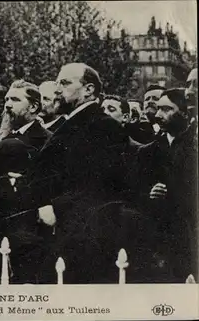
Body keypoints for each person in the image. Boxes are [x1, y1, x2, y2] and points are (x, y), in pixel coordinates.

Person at [27, 63, 153, 284]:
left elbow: (95, 186)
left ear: (89, 90)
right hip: (64, 231)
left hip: (81, 234)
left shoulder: (103, 127)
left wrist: (51, 206)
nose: (57, 89)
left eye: (64, 83)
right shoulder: (74, 124)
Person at [135, 88, 198, 282]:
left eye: (167, 109)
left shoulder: (193, 147)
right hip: (160, 234)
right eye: (158, 109)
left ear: (185, 113)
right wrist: (149, 192)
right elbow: (135, 188)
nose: (159, 115)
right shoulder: (149, 150)